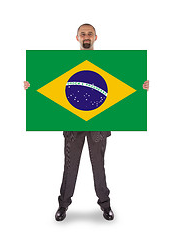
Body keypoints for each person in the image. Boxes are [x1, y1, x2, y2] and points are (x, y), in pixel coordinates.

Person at [24, 23, 149, 221]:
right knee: (70, 165)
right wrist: (31, 86)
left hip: (98, 124)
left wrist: (141, 86)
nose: (86, 36)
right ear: (77, 38)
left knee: (98, 166)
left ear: (96, 37)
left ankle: (105, 205)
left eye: (89, 33)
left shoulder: (108, 63)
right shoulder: (65, 63)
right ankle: (63, 205)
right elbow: (47, 83)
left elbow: (126, 84)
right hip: (73, 124)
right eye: (83, 34)